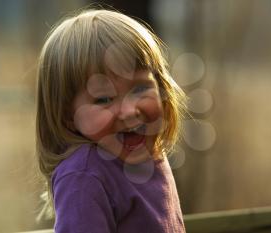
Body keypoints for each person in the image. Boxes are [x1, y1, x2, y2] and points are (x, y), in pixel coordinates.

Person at [36, 8, 187, 233]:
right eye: (103, 99)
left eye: (139, 88)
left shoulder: (150, 151)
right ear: (68, 116)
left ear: (161, 87)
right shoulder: (84, 175)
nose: (129, 111)